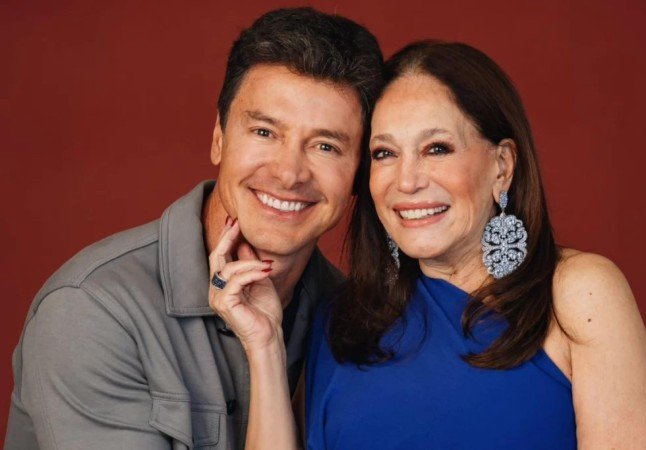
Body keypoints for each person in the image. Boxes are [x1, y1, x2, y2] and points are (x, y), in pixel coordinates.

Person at [5, 8, 383, 450]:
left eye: (326, 146)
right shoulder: (92, 310)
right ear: (219, 137)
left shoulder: (351, 322)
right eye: (264, 132)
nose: (288, 174)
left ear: (358, 172)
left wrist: (265, 348)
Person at [304, 41, 646, 449]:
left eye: (437, 149)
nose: (406, 181)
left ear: (502, 166)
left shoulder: (579, 292)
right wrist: (262, 348)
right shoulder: (338, 318)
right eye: (384, 153)